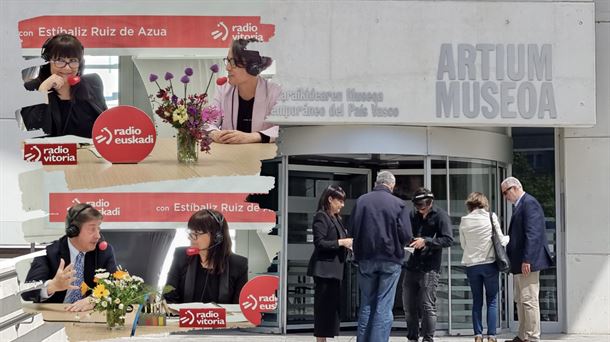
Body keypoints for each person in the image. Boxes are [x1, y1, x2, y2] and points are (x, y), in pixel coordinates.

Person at [350, 171, 412, 342]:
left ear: (376, 183)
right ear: (391, 185)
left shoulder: (362, 201)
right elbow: (406, 235)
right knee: (383, 306)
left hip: (365, 257)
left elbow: (352, 229)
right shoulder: (399, 204)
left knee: (366, 304)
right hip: (391, 258)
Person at [21, 204, 117, 312]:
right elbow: (27, 291)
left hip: (87, 316)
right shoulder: (49, 253)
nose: (98, 236)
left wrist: (94, 299)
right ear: (73, 231)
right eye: (92, 229)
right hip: (55, 319)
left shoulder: (103, 252)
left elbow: (114, 286)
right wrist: (52, 286)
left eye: (98, 229)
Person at [20, 33, 108, 138]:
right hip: (52, 153)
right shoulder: (31, 88)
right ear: (47, 62)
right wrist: (43, 91)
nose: (67, 68)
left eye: (73, 61)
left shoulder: (92, 83)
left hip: (88, 153)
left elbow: (105, 124)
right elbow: (36, 131)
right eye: (60, 61)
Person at [501, 177, 554, 342]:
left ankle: (532, 337)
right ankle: (523, 335)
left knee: (529, 300)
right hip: (519, 263)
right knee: (520, 300)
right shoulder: (520, 205)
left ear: (516, 188)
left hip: (526, 262)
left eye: (505, 192)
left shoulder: (529, 203)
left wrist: (527, 260)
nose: (505, 197)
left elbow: (533, 233)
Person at [164, 209, 248, 304]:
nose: (190, 238)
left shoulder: (239, 264)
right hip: (185, 318)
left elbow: (238, 307)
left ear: (217, 237)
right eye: (190, 233)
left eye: (196, 234)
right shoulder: (181, 255)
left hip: (224, 319)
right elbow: (169, 297)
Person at [403, 187, 453, 342]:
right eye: (418, 207)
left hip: (430, 267)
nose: (421, 210)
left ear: (430, 203)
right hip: (411, 264)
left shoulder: (441, 216)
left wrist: (426, 241)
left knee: (427, 306)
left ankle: (428, 339)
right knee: (409, 306)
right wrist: (410, 240)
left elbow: (448, 240)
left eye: (424, 207)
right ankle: (412, 337)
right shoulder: (412, 215)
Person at [459, 192, 510, 342]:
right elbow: (501, 240)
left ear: (469, 205)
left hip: (472, 265)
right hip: (489, 264)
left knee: (477, 300)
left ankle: (478, 335)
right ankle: (492, 336)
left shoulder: (464, 220)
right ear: (484, 203)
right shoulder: (490, 217)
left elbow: (463, 245)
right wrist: (509, 237)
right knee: (492, 300)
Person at [208, 38, 280, 144]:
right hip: (230, 156)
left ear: (253, 67)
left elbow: (285, 129)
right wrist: (214, 133)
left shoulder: (274, 92)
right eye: (227, 61)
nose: (227, 68)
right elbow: (207, 122)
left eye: (233, 62)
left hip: (264, 158)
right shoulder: (223, 90)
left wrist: (253, 137)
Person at [306, 185, 353, 341]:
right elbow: (320, 243)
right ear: (330, 199)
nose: (342, 205)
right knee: (323, 308)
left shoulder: (336, 219)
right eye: (339, 201)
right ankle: (321, 340)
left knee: (331, 309)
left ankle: (325, 338)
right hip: (324, 270)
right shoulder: (321, 216)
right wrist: (341, 242)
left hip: (335, 270)